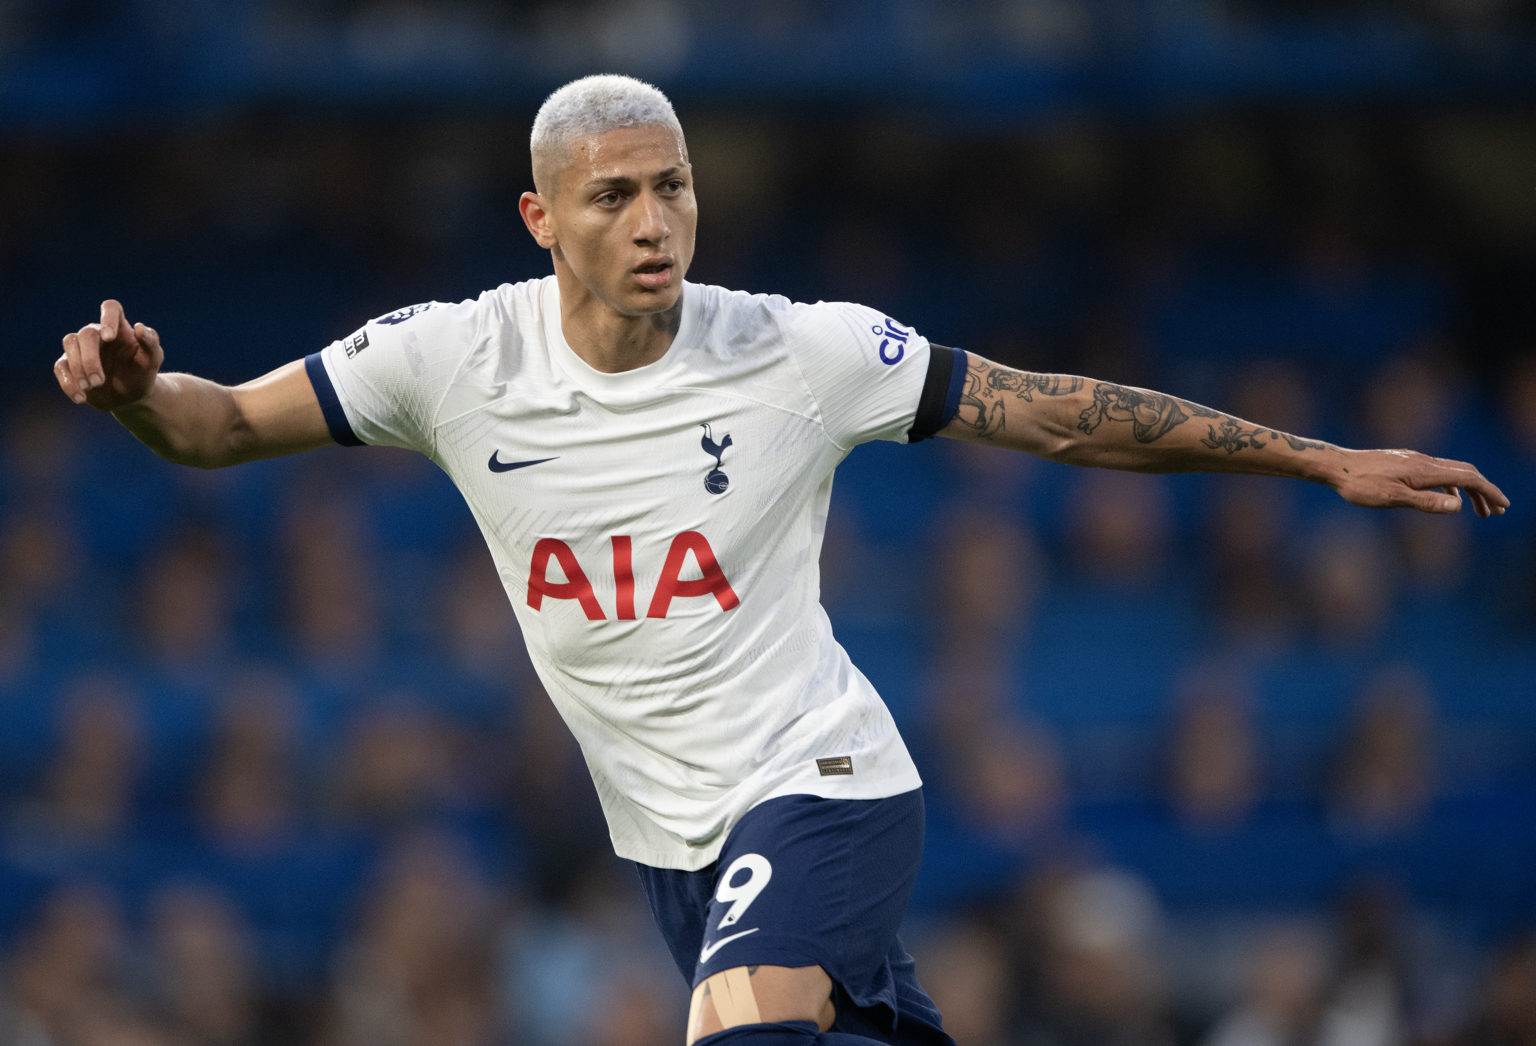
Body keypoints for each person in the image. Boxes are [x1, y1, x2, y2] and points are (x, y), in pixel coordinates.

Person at [52, 74, 1508, 1046]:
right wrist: (132, 394)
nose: (653, 220)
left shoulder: (797, 350)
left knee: (740, 1028)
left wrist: (1316, 457)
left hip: (827, 789)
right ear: (539, 217)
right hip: (668, 843)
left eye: (672, 185)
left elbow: (1055, 416)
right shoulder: (454, 356)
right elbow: (226, 426)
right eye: (613, 194)